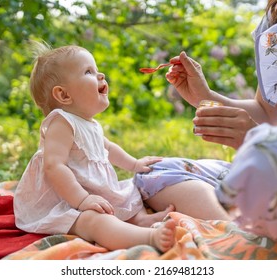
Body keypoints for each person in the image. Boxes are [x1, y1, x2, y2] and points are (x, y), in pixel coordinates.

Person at [158, 0, 277, 259]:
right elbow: (265, 112)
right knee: (161, 171)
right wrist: (204, 96)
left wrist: (263, 144)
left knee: (268, 153)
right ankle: (254, 230)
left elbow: (267, 138)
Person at [13, 41, 176, 252]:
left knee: (129, 193)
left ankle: (141, 221)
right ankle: (149, 237)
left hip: (90, 193)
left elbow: (108, 148)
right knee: (95, 221)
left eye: (97, 70)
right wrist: (82, 200)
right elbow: (54, 166)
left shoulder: (91, 124)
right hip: (65, 201)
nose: (101, 76)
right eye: (89, 72)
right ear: (63, 95)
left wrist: (135, 164)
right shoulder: (61, 122)